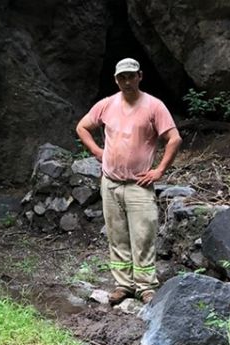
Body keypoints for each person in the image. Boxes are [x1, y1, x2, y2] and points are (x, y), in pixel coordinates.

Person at [75, 58, 182, 305]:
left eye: (131, 76)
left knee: (143, 235)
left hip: (139, 184)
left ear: (139, 76)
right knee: (117, 235)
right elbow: (82, 127)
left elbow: (173, 139)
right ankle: (123, 284)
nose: (127, 81)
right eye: (122, 77)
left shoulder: (154, 106)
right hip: (111, 182)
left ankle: (145, 286)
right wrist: (97, 151)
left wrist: (159, 170)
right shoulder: (107, 104)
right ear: (116, 79)